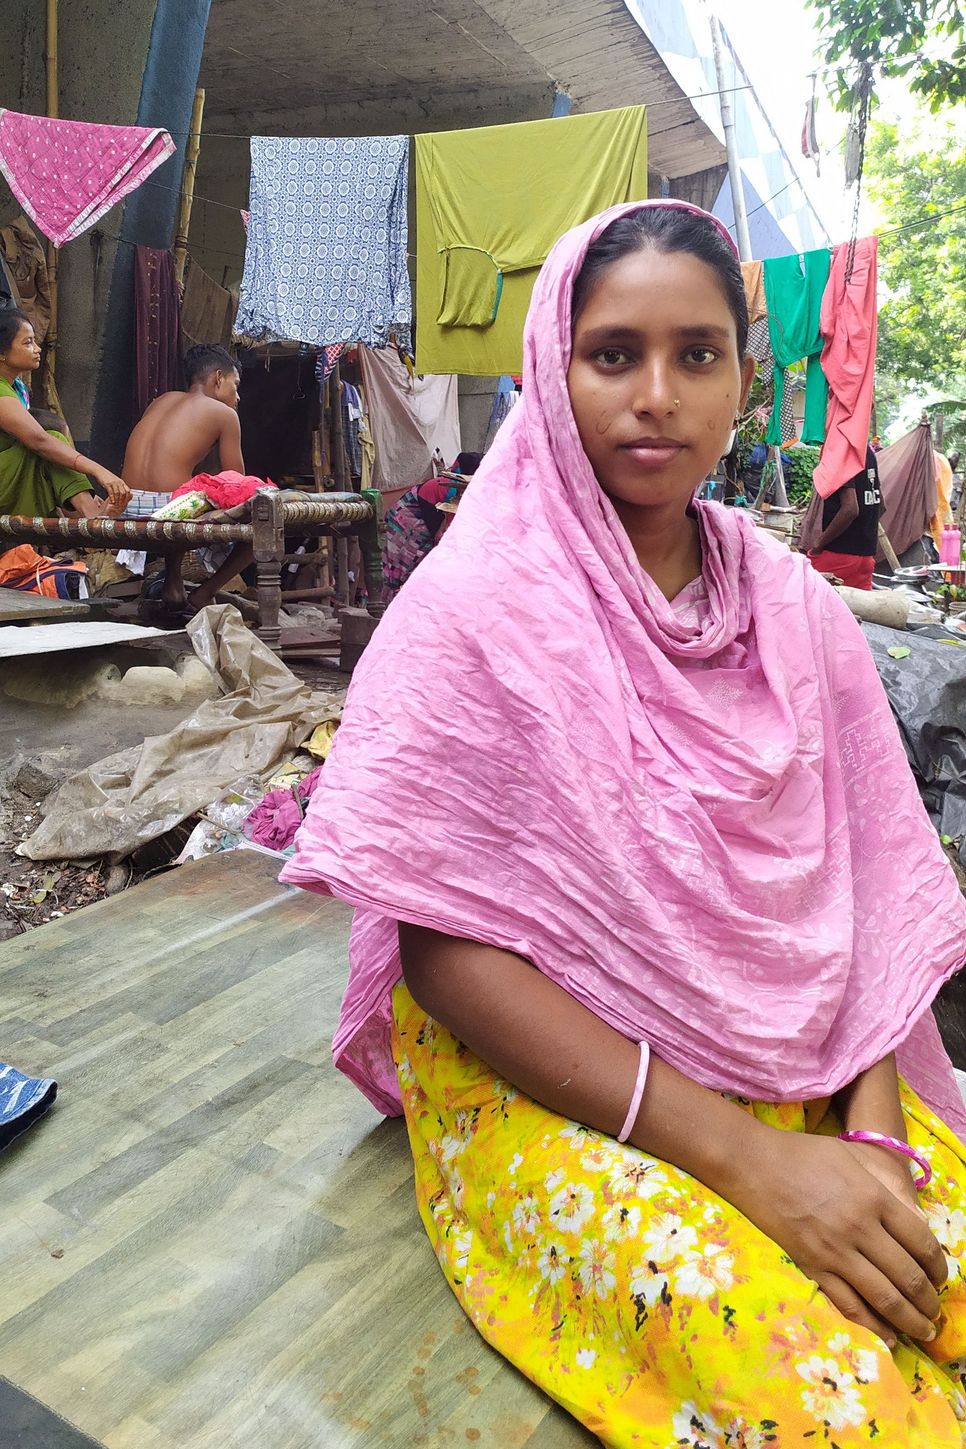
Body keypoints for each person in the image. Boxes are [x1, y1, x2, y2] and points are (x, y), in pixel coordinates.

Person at [282, 202, 966, 1445]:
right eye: (614, 354)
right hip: (558, 1080)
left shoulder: (792, 610)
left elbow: (866, 895)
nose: (657, 394)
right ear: (556, 363)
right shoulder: (476, 612)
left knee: (936, 1272)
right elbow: (449, 957)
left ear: (743, 380)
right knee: (834, 1398)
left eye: (696, 353)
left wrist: (876, 1140)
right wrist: (754, 1167)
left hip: (811, 1056)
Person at [121, 343, 251, 615]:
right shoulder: (225, 414)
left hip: (129, 505)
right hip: (168, 510)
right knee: (260, 522)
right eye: (235, 385)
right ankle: (204, 593)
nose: (237, 397)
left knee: (186, 491)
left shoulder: (162, 400)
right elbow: (236, 483)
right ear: (217, 378)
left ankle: (173, 584)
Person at [0, 307, 131, 517]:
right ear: (2, 353)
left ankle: (88, 514)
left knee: (54, 446)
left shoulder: (18, 388)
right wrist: (99, 471)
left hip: (10, 477)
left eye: (34, 341)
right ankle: (92, 516)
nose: (37, 348)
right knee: (51, 440)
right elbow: (39, 441)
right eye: (27, 343)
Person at [381, 451, 482, 603]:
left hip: (418, 522)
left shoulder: (459, 490)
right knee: (397, 570)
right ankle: (385, 611)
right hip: (407, 523)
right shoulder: (452, 490)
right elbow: (443, 535)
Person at [808, 446, 883, 590]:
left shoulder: (840, 451)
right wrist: (863, 533)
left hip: (837, 556)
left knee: (811, 604)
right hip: (866, 558)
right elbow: (880, 505)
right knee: (856, 610)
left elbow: (850, 509)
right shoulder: (867, 452)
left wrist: (818, 545)